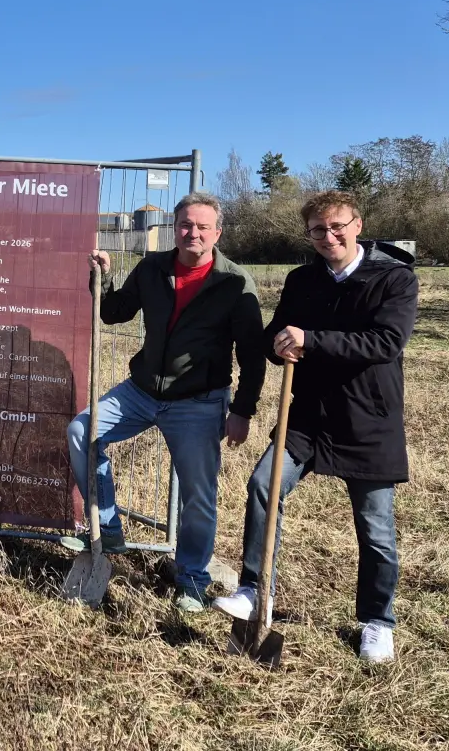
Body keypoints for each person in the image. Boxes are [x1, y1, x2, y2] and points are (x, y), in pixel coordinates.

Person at [212, 190, 417, 664]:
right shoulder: (302, 279)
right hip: (306, 417)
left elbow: (386, 341)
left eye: (337, 226)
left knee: (375, 529)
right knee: (264, 486)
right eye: (318, 230)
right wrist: (277, 344)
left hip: (368, 419)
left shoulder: (394, 278)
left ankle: (376, 621)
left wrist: (311, 340)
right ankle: (255, 589)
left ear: (357, 225)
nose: (329, 236)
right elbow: (277, 332)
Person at [66, 191, 267, 612]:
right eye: (185, 225)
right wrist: (103, 278)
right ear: (174, 228)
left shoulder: (233, 283)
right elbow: (114, 313)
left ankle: (192, 578)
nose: (192, 233)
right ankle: (108, 528)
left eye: (202, 226)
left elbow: (251, 355)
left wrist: (242, 411)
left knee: (198, 494)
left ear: (218, 231)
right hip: (140, 392)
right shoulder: (153, 267)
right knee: (82, 431)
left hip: (199, 402)